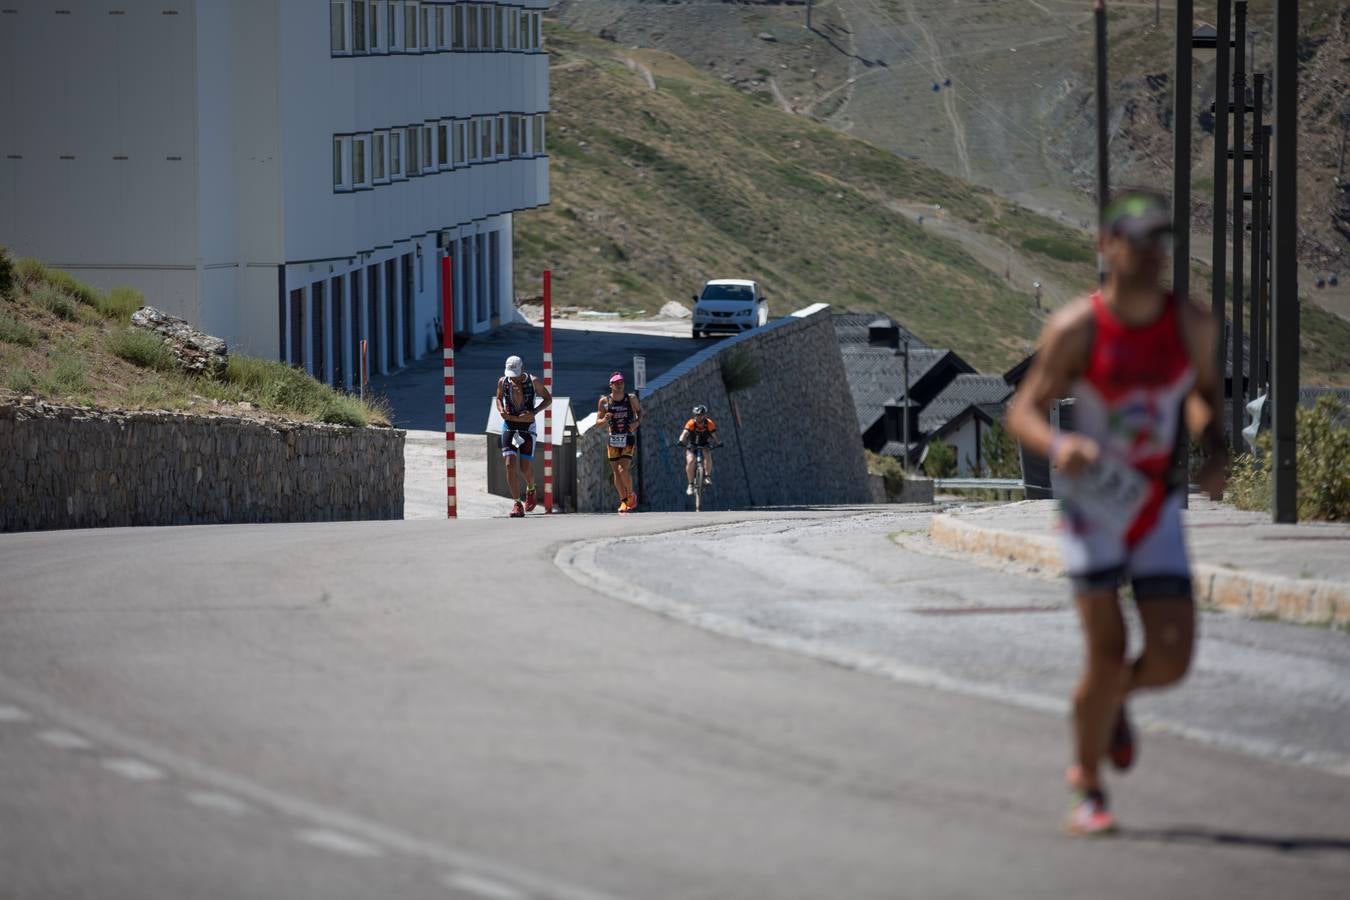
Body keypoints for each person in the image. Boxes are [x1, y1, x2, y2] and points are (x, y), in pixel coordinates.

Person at [1006, 190, 1228, 837]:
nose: (1150, 256)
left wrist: (1212, 447)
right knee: (1107, 653)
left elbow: (1203, 399)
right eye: (1137, 241)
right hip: (1092, 505)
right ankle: (1087, 783)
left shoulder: (1192, 325)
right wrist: (1058, 443)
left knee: (1173, 656)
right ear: (1108, 246)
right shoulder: (1078, 328)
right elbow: (1022, 409)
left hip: (1154, 501)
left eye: (1160, 242)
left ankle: (1114, 704)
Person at [495, 355, 551, 518]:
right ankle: (517, 503)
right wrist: (500, 410)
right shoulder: (503, 381)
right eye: (510, 374)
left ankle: (531, 488)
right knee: (509, 464)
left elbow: (548, 399)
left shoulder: (534, 381)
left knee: (524, 467)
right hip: (509, 426)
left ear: (522, 370)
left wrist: (534, 412)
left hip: (527, 427)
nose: (512, 378)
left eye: (515, 374)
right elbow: (499, 398)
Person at [596, 372, 642, 513]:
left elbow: (640, 412)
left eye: (621, 382)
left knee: (623, 469)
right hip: (613, 438)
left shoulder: (631, 398)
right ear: (611, 385)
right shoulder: (604, 401)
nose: (620, 384)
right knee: (616, 471)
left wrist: (636, 423)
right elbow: (598, 422)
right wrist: (605, 419)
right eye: (616, 382)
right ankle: (623, 501)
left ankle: (630, 494)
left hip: (627, 437)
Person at [678, 405, 719, 496]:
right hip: (692, 445)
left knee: (708, 455)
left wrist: (718, 442)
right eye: (696, 415)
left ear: (704, 415)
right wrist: (681, 440)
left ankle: (707, 477)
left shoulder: (709, 423)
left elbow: (714, 435)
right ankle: (690, 484)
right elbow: (684, 433)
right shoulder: (691, 423)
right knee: (691, 461)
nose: (698, 417)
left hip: (704, 444)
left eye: (700, 415)